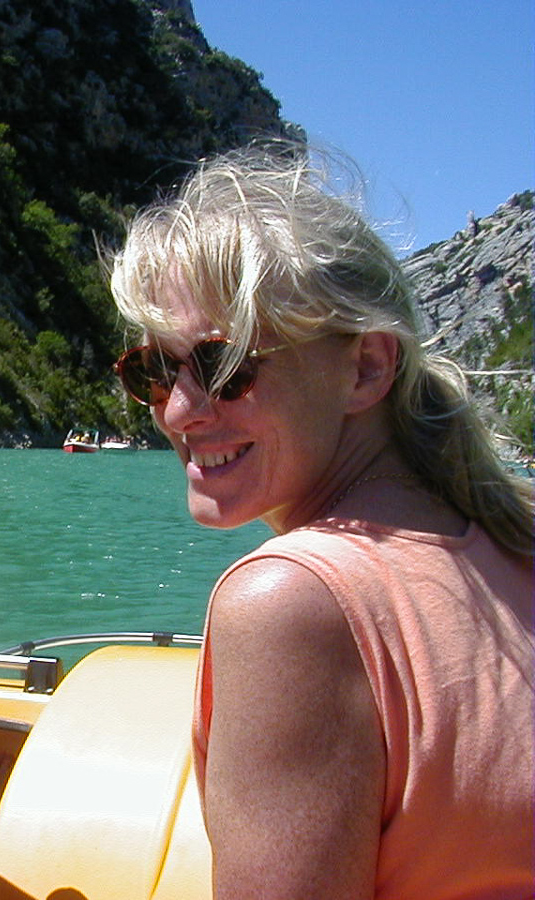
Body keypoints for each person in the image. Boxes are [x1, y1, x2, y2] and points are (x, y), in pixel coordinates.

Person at [108, 144, 534, 899]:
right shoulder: (512, 546)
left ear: (366, 367)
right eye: (155, 371)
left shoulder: (291, 604)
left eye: (224, 365)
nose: (178, 412)